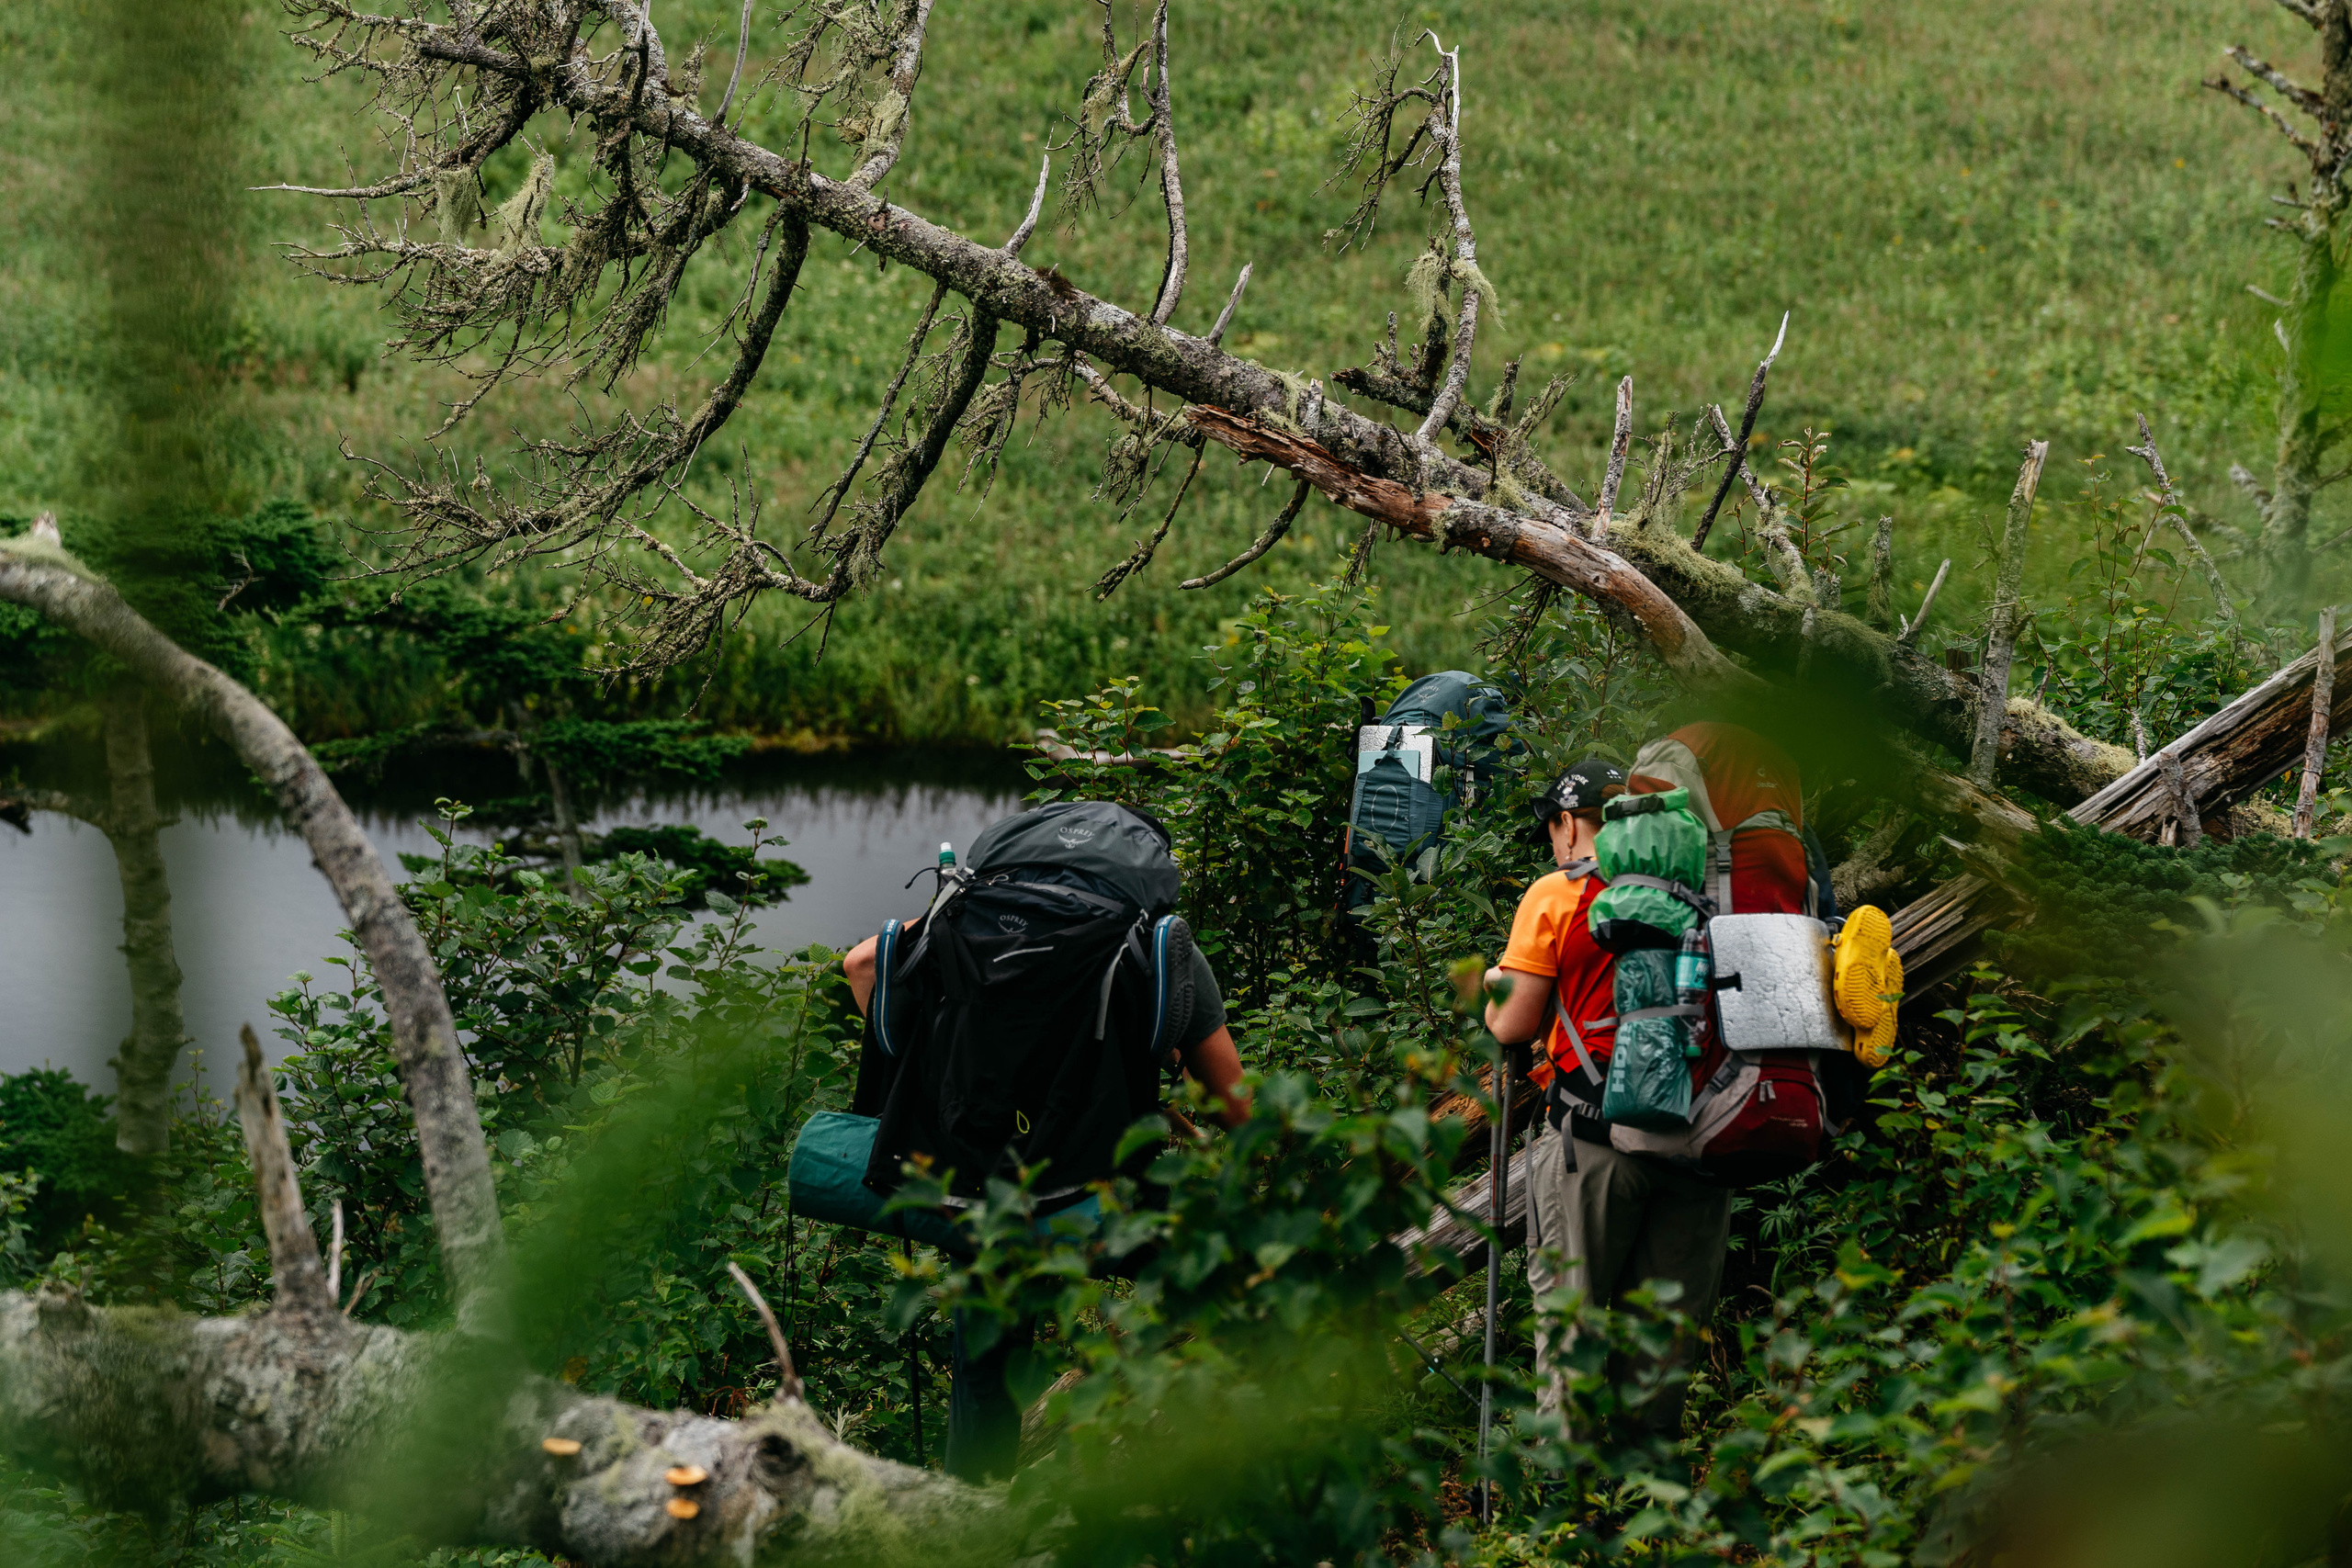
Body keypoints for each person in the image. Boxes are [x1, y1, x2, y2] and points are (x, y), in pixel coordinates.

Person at [842, 802, 1248, 1481]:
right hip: (1096, 1185)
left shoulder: (964, 910)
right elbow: (1238, 1104)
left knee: (983, 1367)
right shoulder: (1152, 940)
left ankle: (973, 1519)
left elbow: (861, 965)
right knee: (1185, 1308)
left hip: (978, 1173)